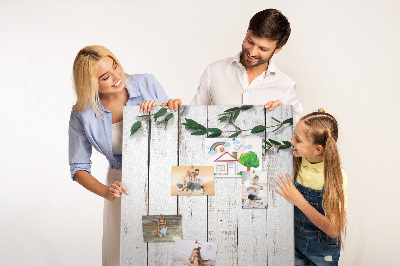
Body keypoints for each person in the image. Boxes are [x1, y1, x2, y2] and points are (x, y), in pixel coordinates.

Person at [68, 45, 181, 266]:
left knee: (162, 251)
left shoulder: (146, 83)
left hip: (158, 182)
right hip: (121, 188)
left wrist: (168, 109)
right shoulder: (82, 113)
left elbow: (174, 136)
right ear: (91, 84)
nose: (116, 77)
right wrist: (107, 192)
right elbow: (78, 167)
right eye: (105, 77)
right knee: (123, 255)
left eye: (115, 66)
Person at [190, 9, 303, 123]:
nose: (252, 52)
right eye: (250, 41)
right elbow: (193, 119)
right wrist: (174, 110)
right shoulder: (214, 71)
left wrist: (283, 117)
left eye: (262, 49)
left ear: (277, 49)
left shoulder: (286, 86)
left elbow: (298, 134)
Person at [275, 108, 347, 265]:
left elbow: (334, 230)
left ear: (317, 149)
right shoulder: (299, 159)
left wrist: (299, 201)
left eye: (298, 140)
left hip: (322, 254)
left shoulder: (335, 178)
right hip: (294, 247)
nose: (292, 141)